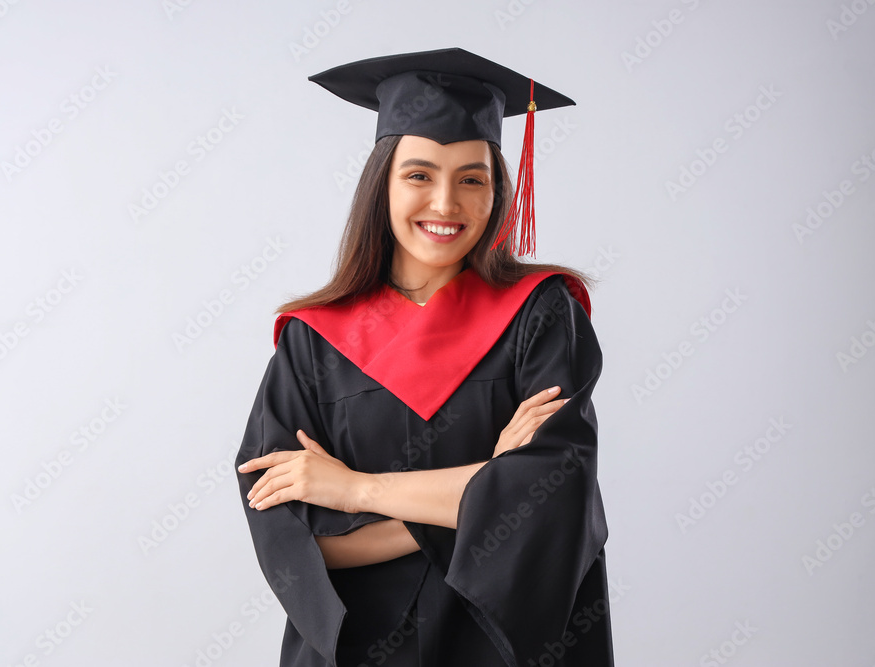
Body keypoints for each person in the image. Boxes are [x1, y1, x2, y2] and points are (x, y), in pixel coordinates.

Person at [235, 47, 614, 667]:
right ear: (380, 183)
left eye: (472, 178)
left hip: (501, 646)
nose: (445, 203)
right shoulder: (314, 338)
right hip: (359, 648)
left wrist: (356, 491)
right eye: (419, 175)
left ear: (498, 193)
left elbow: (554, 501)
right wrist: (487, 486)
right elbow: (292, 537)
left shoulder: (540, 315)